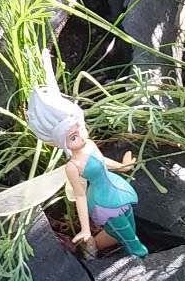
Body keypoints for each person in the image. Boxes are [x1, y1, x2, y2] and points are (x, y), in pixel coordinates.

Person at [24, 88, 146, 257]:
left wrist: (122, 167)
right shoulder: (72, 166)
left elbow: (102, 161)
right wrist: (85, 229)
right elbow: (80, 196)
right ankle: (140, 257)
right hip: (103, 202)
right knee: (129, 237)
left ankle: (92, 248)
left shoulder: (89, 144)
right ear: (58, 142)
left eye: (80, 128)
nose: (81, 136)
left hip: (116, 188)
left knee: (126, 228)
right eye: (73, 137)